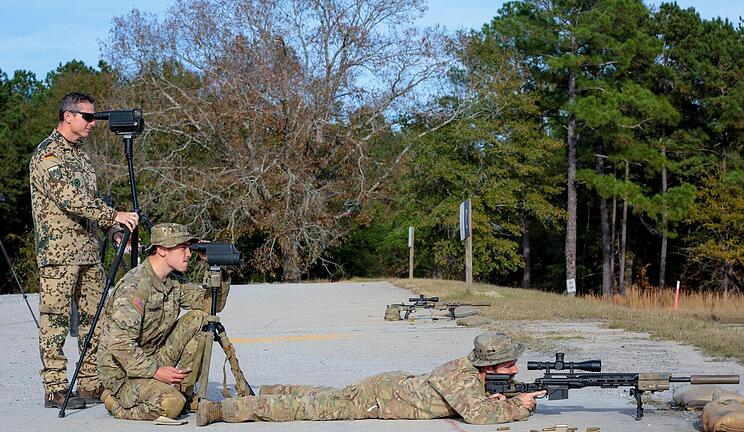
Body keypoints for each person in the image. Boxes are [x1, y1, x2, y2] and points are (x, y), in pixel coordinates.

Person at [29, 92, 139, 409]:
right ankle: (55, 388)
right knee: (56, 322)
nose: (93, 123)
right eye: (88, 117)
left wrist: (114, 231)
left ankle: (91, 382)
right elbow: (71, 200)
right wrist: (114, 215)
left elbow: (93, 203)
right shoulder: (48, 155)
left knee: (99, 319)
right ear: (68, 116)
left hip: (89, 253)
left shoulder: (82, 157)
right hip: (59, 255)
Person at [196, 331, 547, 426]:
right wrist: (519, 408)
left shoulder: (473, 375)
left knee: (325, 395)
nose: (515, 370)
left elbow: (482, 401)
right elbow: (478, 416)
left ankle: (268, 388)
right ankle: (219, 410)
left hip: (387, 388)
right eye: (508, 366)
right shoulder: (460, 376)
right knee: (302, 409)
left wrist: (507, 396)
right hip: (376, 400)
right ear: (489, 367)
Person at [96, 223, 231, 421]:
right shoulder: (134, 287)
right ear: (161, 250)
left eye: (190, 248)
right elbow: (120, 344)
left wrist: (216, 267)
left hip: (151, 358)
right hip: (123, 373)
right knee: (171, 405)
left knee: (201, 319)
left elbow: (211, 305)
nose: (189, 254)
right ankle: (115, 403)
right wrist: (156, 371)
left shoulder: (173, 281)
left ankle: (184, 391)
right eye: (182, 248)